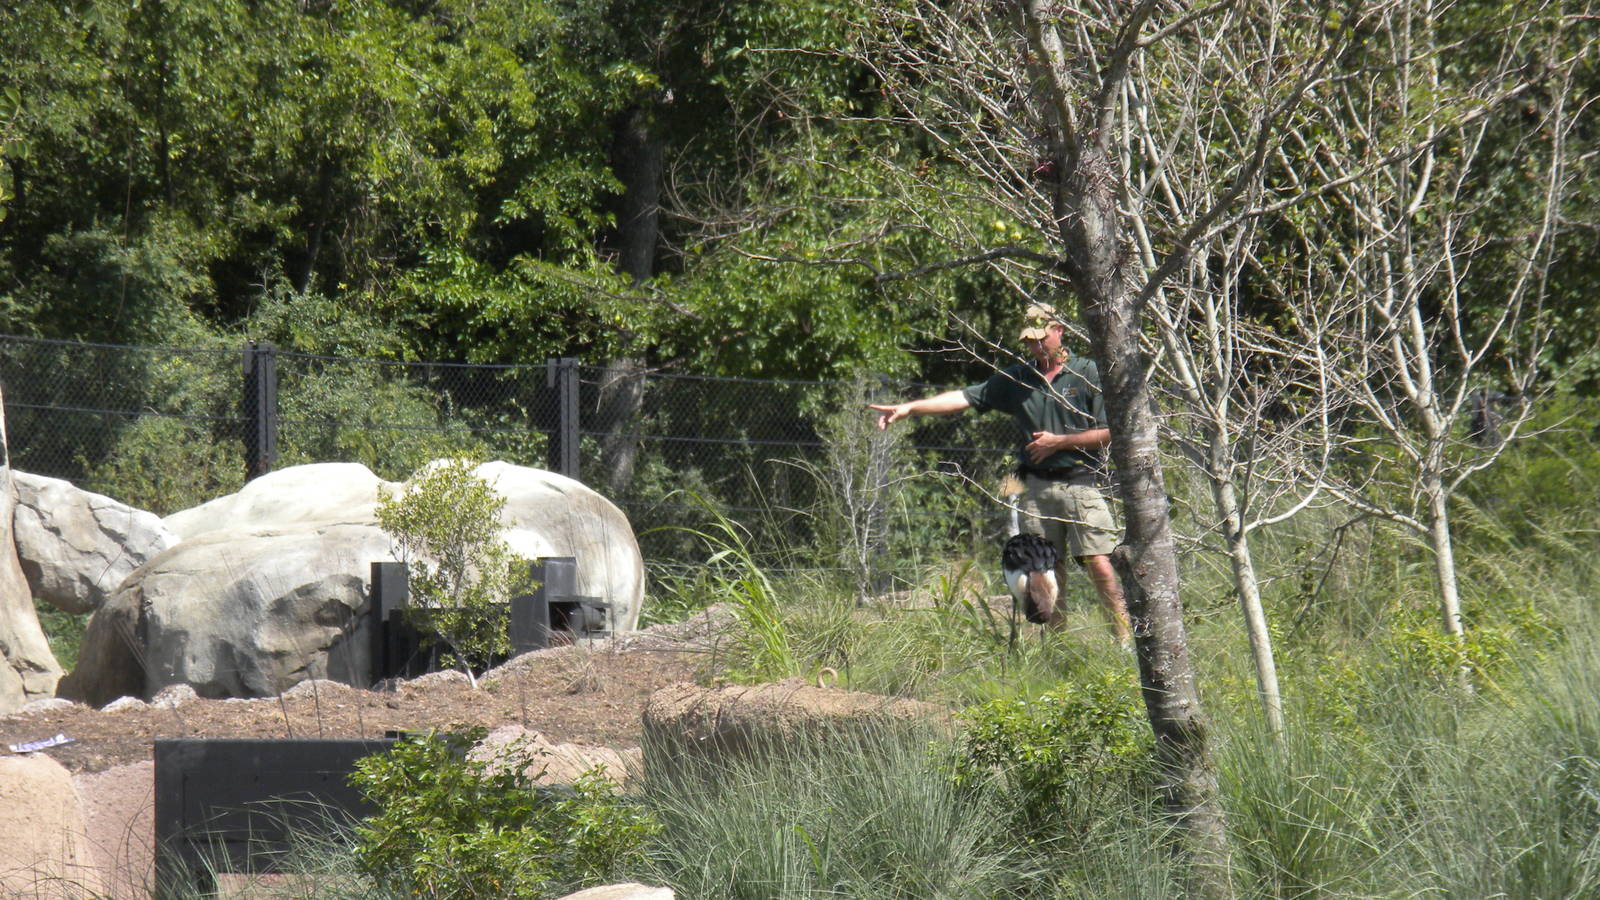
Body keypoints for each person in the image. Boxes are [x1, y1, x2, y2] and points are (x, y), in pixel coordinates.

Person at [869, 303, 1132, 644]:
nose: (1036, 347)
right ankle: (1060, 650)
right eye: (1030, 341)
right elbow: (964, 397)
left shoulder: (1087, 373)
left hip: (1082, 485)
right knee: (1045, 576)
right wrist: (910, 408)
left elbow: (1110, 431)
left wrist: (1059, 442)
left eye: (1042, 338)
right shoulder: (1017, 379)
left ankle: (1124, 642)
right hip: (1036, 491)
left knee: (1100, 565)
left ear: (1059, 331)